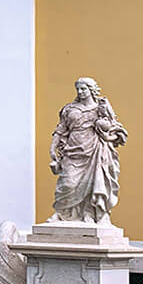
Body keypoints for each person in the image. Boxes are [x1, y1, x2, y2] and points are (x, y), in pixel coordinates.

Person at [48, 77, 129, 224]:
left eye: (83, 88)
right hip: (73, 151)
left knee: (94, 183)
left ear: (92, 90)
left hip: (95, 150)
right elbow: (60, 129)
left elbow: (115, 128)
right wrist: (53, 148)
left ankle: (90, 213)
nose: (80, 92)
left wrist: (107, 134)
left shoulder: (101, 107)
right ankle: (61, 212)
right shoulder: (70, 109)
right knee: (68, 184)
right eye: (78, 89)